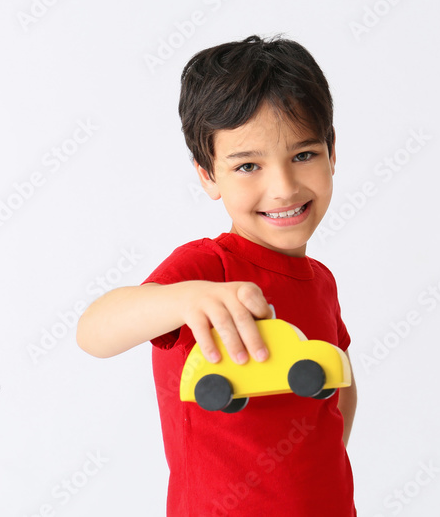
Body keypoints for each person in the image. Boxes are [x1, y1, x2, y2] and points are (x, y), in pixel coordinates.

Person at [77, 35, 356, 516]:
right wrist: (182, 300)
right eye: (248, 165)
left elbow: (338, 383)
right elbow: (93, 332)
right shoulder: (206, 269)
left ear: (332, 151)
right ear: (208, 175)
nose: (283, 187)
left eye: (303, 155)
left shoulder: (321, 280)